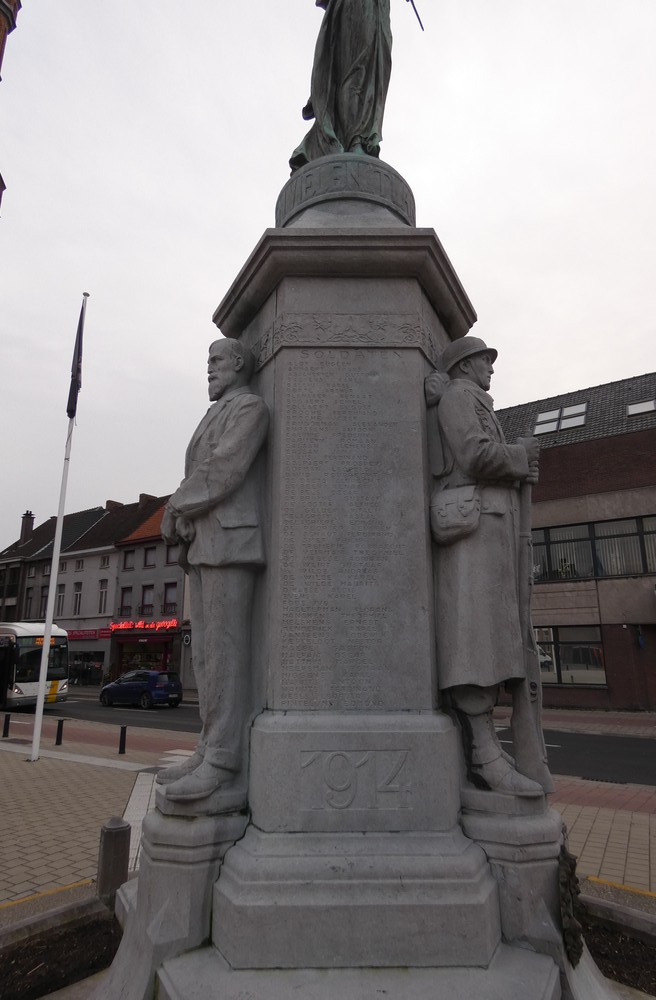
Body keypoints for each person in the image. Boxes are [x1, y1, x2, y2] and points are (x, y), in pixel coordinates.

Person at [426, 336, 544, 797]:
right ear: (465, 365)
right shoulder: (459, 397)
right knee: (475, 643)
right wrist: (519, 457)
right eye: (483, 361)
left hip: (491, 533)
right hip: (474, 533)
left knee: (493, 641)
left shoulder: (474, 399)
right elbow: (474, 454)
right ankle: (484, 753)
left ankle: (487, 749)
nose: (490, 368)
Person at [158, 339, 269, 803]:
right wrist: (183, 517)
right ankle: (209, 746)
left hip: (232, 542)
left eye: (216, 361)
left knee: (224, 653)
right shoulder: (216, 412)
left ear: (239, 363)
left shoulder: (250, 409)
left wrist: (177, 505)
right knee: (204, 654)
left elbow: (226, 469)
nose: (209, 369)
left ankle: (223, 758)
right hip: (205, 543)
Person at [290, 0, 392, 172]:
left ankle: (363, 137)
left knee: (375, 75)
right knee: (355, 70)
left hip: (379, 8)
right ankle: (354, 139)